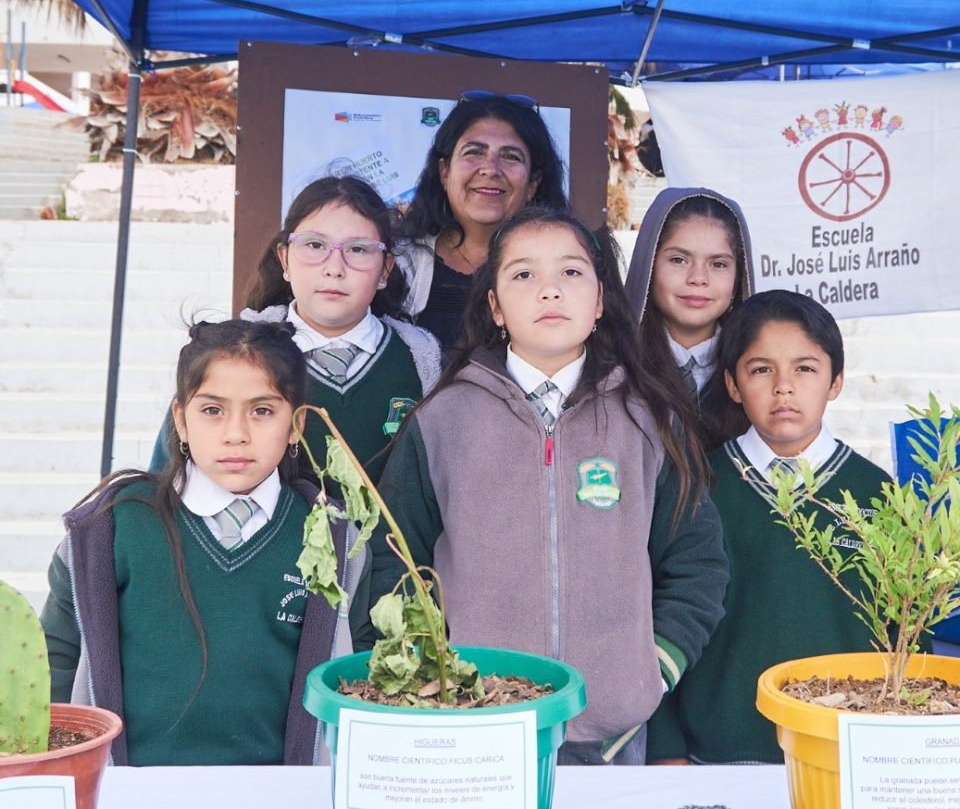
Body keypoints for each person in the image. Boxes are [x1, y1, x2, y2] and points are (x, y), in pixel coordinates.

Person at [371, 207, 728, 765]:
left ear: (600, 301)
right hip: (474, 733)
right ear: (494, 306)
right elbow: (393, 561)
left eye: (570, 273)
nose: (549, 292)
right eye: (523, 275)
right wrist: (431, 675)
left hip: (614, 741)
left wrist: (651, 672)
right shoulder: (443, 420)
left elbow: (698, 562)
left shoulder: (649, 421)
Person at [41, 319, 372, 767]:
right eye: (212, 410)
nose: (236, 433)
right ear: (180, 419)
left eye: (262, 411)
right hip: (129, 804)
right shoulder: (110, 529)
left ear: (296, 424)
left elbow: (359, 679)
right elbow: (55, 665)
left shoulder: (335, 540)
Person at [646, 290, 889, 765]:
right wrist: (666, 745)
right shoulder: (695, 485)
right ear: (733, 385)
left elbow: (906, 636)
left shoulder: (879, 496)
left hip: (843, 760)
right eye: (761, 369)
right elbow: (655, 613)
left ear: (835, 381)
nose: (784, 387)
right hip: (710, 759)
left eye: (805, 368)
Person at [153, 176, 441, 481]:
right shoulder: (230, 355)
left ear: (385, 270)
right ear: (284, 259)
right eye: (315, 245)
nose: (334, 268)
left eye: (358, 249)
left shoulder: (421, 364)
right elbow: (165, 482)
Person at [396, 91, 569, 349]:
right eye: (474, 152)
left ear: (533, 183)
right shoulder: (397, 262)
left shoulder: (568, 273)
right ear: (444, 172)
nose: (490, 169)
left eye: (511, 156)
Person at [624, 187, 756, 451]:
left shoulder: (757, 370)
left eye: (718, 264)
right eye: (678, 260)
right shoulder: (612, 368)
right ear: (649, 263)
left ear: (738, 276)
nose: (698, 277)